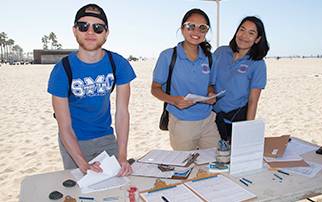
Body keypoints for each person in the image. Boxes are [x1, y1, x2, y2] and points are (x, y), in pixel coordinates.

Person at [47, 4, 136, 175]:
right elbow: (64, 125)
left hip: (106, 138)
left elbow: (122, 113)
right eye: (83, 26)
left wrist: (122, 155)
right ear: (75, 30)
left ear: (106, 33)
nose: (90, 32)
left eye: (98, 28)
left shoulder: (118, 64)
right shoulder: (62, 70)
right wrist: (82, 162)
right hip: (74, 142)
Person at [151, 8, 220, 151]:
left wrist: (211, 94)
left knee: (215, 162)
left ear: (206, 32)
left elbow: (209, 85)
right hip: (181, 123)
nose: (196, 31)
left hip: (208, 121)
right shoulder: (168, 56)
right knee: (185, 168)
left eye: (202, 28)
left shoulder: (209, 57)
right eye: (190, 26)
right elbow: (155, 89)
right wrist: (174, 100)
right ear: (182, 29)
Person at [212, 16, 269, 141]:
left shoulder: (257, 64)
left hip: (235, 121)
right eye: (242, 30)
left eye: (251, 33)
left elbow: (253, 101)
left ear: (257, 39)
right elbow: (207, 79)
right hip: (210, 118)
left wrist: (248, 129)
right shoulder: (221, 52)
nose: (244, 36)